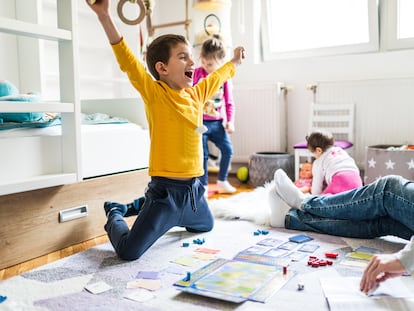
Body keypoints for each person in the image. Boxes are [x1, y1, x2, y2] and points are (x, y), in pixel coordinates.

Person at [86, 0, 245, 261]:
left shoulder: (196, 94)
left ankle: (138, 208)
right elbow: (127, 61)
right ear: (162, 68)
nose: (191, 62)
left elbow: (217, 78)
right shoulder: (155, 93)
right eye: (183, 57)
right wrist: (105, 16)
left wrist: (234, 63)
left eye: (191, 57)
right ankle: (116, 211)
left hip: (194, 193)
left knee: (205, 225)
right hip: (165, 195)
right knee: (129, 251)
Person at [193, 35, 236, 194]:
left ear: (220, 61)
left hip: (217, 123)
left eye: (209, 64)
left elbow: (229, 102)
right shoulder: (197, 74)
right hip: (199, 123)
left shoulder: (224, 78)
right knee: (202, 154)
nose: (205, 66)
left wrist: (230, 121)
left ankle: (222, 181)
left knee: (227, 149)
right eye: (203, 62)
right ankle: (203, 185)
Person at [305, 130, 362, 195]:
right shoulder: (340, 150)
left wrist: (314, 197)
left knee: (322, 200)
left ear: (318, 150)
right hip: (357, 181)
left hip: (340, 181)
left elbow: (316, 185)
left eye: (313, 153)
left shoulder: (318, 162)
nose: (314, 156)